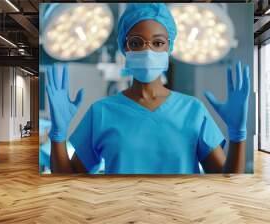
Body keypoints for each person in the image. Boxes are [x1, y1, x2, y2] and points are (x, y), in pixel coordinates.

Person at [46, 3, 250, 174]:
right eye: (136, 43)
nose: (147, 50)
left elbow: (227, 181)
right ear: (125, 48)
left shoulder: (193, 110)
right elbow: (68, 180)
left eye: (158, 42)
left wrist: (238, 135)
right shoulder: (100, 112)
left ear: (169, 48)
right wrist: (58, 134)